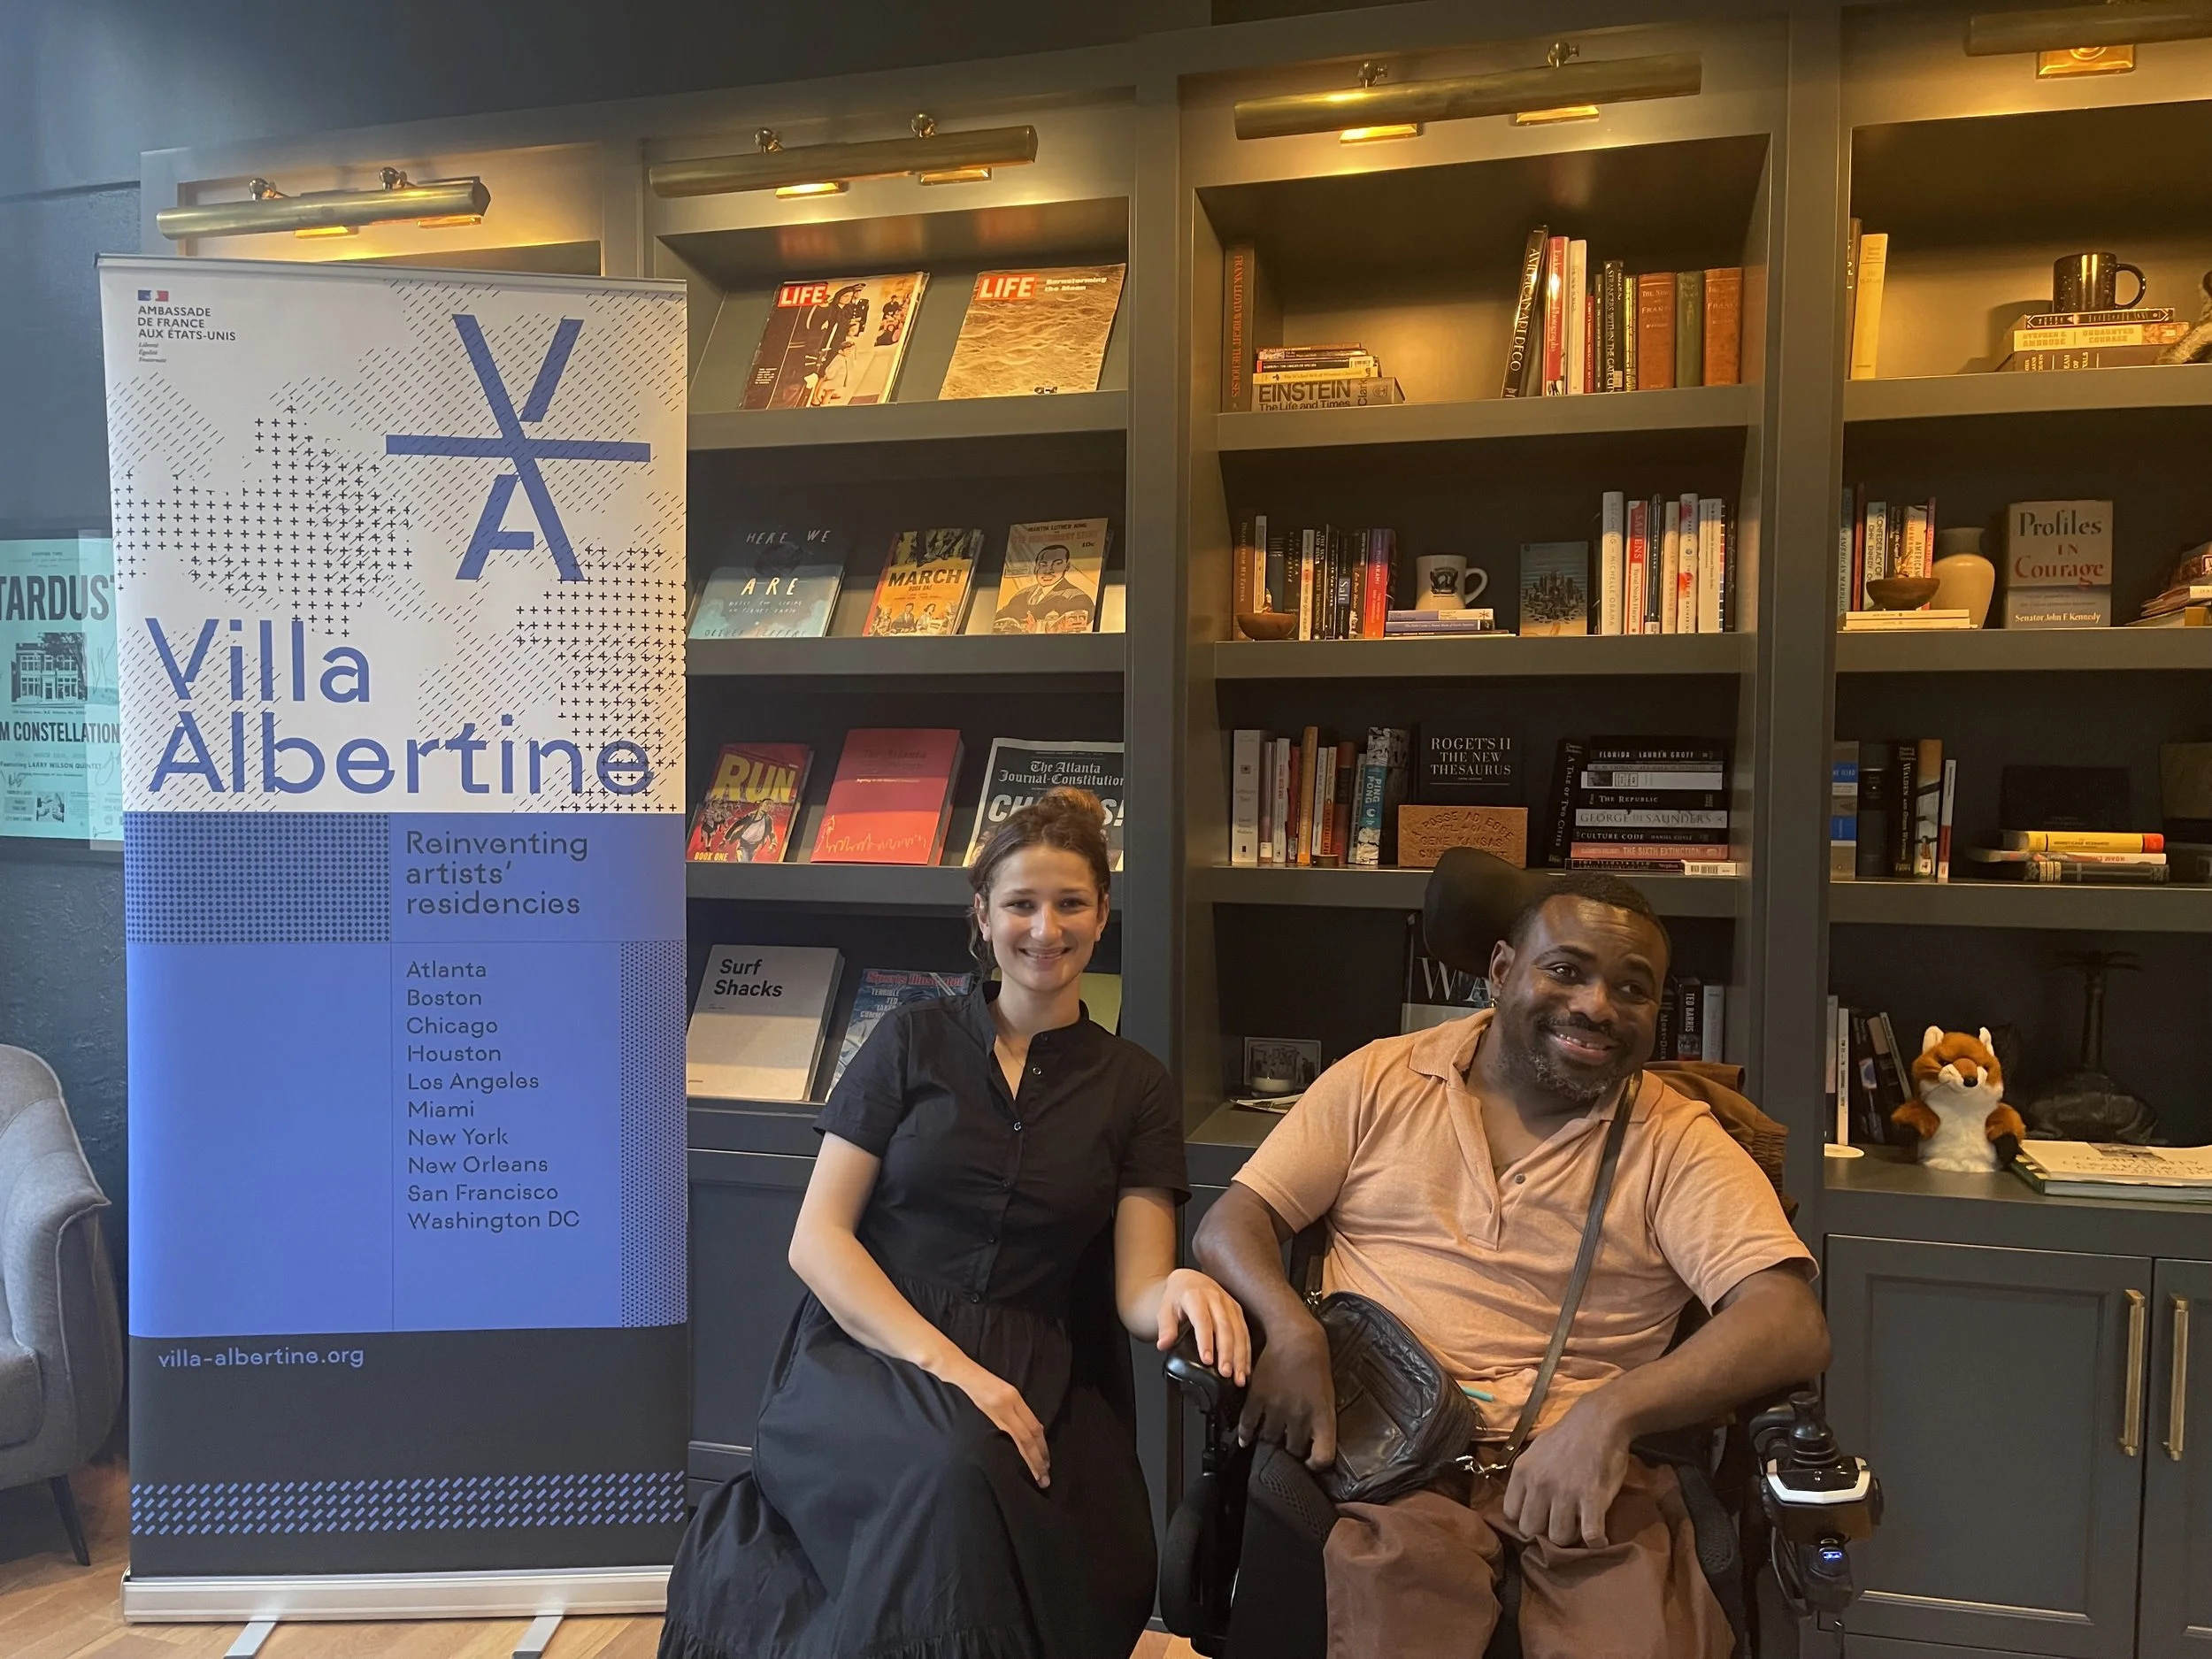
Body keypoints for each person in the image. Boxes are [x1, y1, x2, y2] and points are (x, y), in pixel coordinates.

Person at [660, 788, 1249, 1659]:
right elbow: (817, 1238)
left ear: (1101, 913)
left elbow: (1136, 1289)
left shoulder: (1137, 1086)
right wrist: (954, 1370)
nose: (1044, 929)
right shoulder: (908, 1043)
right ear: (981, 914)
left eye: (1069, 903)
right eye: (1020, 903)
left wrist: (1187, 1283)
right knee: (955, 1464)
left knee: (998, 1482)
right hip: (869, 1347)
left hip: (1038, 1360)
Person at [1194, 873, 1828, 1659]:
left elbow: (1789, 1318)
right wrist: (1289, 1326)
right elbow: (1235, 1219)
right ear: (1499, 970)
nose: (1597, 1004)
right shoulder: (1379, 1079)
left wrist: (1611, 1413)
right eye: (1566, 969)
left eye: (1632, 987)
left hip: (1590, 1474)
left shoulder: (1677, 1140)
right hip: (1392, 1457)